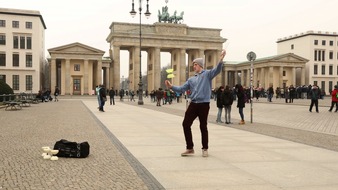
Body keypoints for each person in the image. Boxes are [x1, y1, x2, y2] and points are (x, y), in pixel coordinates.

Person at [165, 49, 226, 157]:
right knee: (185, 124)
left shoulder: (207, 74)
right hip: (193, 104)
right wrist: (171, 87)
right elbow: (181, 89)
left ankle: (205, 148)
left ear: (201, 65)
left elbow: (217, 70)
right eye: (193, 65)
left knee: (203, 126)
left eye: (196, 65)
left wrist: (221, 60)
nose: (194, 66)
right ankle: (189, 148)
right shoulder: (191, 79)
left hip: (204, 104)